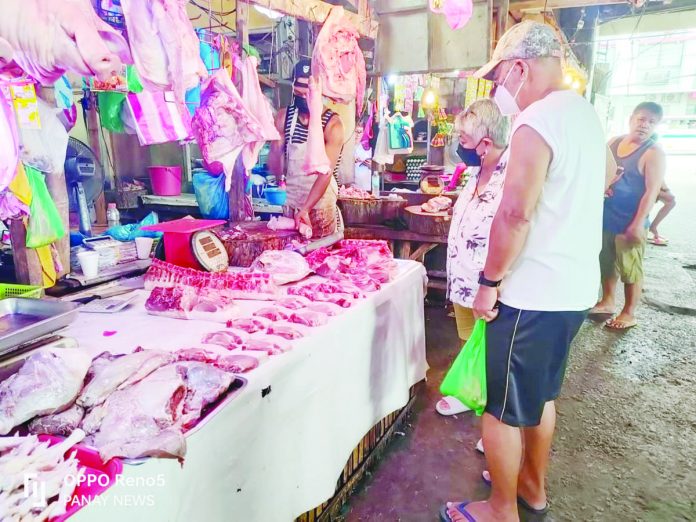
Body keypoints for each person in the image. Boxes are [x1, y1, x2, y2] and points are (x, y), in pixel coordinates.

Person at [441, 21, 606, 522]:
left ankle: (500, 509)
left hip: (531, 292)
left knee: (500, 408)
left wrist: (489, 283)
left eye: (497, 80)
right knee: (540, 395)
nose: (498, 91)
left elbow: (514, 214)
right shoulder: (584, 114)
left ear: (518, 68)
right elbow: (594, 186)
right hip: (574, 289)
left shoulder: (536, 121)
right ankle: (532, 488)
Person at [436, 99, 510, 417]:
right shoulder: (476, 172)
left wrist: (494, 281)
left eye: (464, 141)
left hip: (489, 281)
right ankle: (470, 393)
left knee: (494, 353)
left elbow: (514, 226)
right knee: (468, 339)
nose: (459, 147)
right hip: (463, 276)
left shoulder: (512, 177)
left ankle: (497, 420)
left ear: (486, 143)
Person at [592, 102, 666, 330]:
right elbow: (600, 171)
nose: (645, 125)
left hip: (630, 221)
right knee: (606, 262)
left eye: (651, 122)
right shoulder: (614, 142)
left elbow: (652, 191)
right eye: (641, 119)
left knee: (630, 268)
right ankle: (607, 301)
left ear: (656, 126)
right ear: (631, 118)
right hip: (606, 216)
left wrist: (638, 225)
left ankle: (629, 312)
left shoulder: (653, 153)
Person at [268, 59, 344, 238]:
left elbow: (325, 173)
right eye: (300, 86)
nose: (304, 93)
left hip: (320, 205)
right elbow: (276, 168)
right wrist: (275, 149)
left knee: (322, 257)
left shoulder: (333, 124)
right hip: (293, 202)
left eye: (309, 87)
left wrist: (306, 209)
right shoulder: (283, 117)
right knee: (292, 256)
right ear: (293, 87)